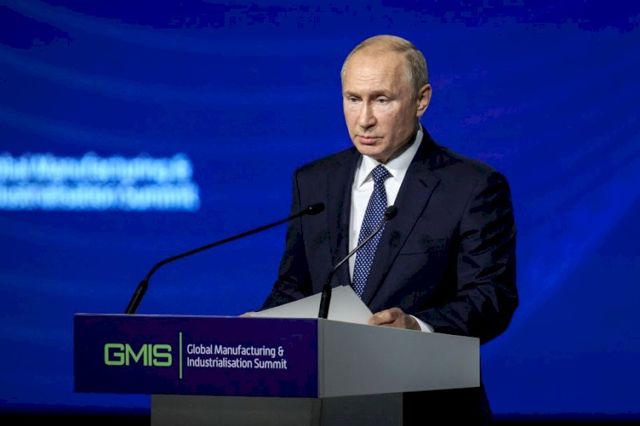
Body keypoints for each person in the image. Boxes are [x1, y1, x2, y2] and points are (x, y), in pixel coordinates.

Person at [261, 34, 517, 424]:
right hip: (327, 408)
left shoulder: (472, 186)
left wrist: (417, 327)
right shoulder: (314, 181)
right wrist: (258, 331)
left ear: (421, 100)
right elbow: (293, 286)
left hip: (428, 408)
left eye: (381, 100)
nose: (364, 119)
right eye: (353, 99)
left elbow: (491, 297)